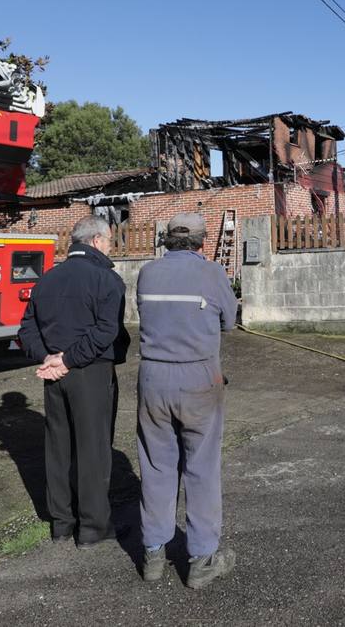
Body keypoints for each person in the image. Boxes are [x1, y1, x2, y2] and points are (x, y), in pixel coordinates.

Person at [134, 212, 238, 589]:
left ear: (166, 241)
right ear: (201, 242)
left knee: (156, 466)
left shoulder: (147, 273)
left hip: (153, 378)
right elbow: (229, 321)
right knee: (201, 466)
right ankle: (202, 558)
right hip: (198, 377)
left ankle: (153, 555)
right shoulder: (213, 274)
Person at [17, 215, 128, 546]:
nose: (110, 245)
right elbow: (107, 331)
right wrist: (67, 360)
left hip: (55, 375)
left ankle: (62, 523)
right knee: (93, 448)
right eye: (109, 240)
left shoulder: (46, 279)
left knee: (58, 446)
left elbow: (26, 329)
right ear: (95, 241)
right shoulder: (106, 280)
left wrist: (48, 358)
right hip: (89, 371)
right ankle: (92, 527)